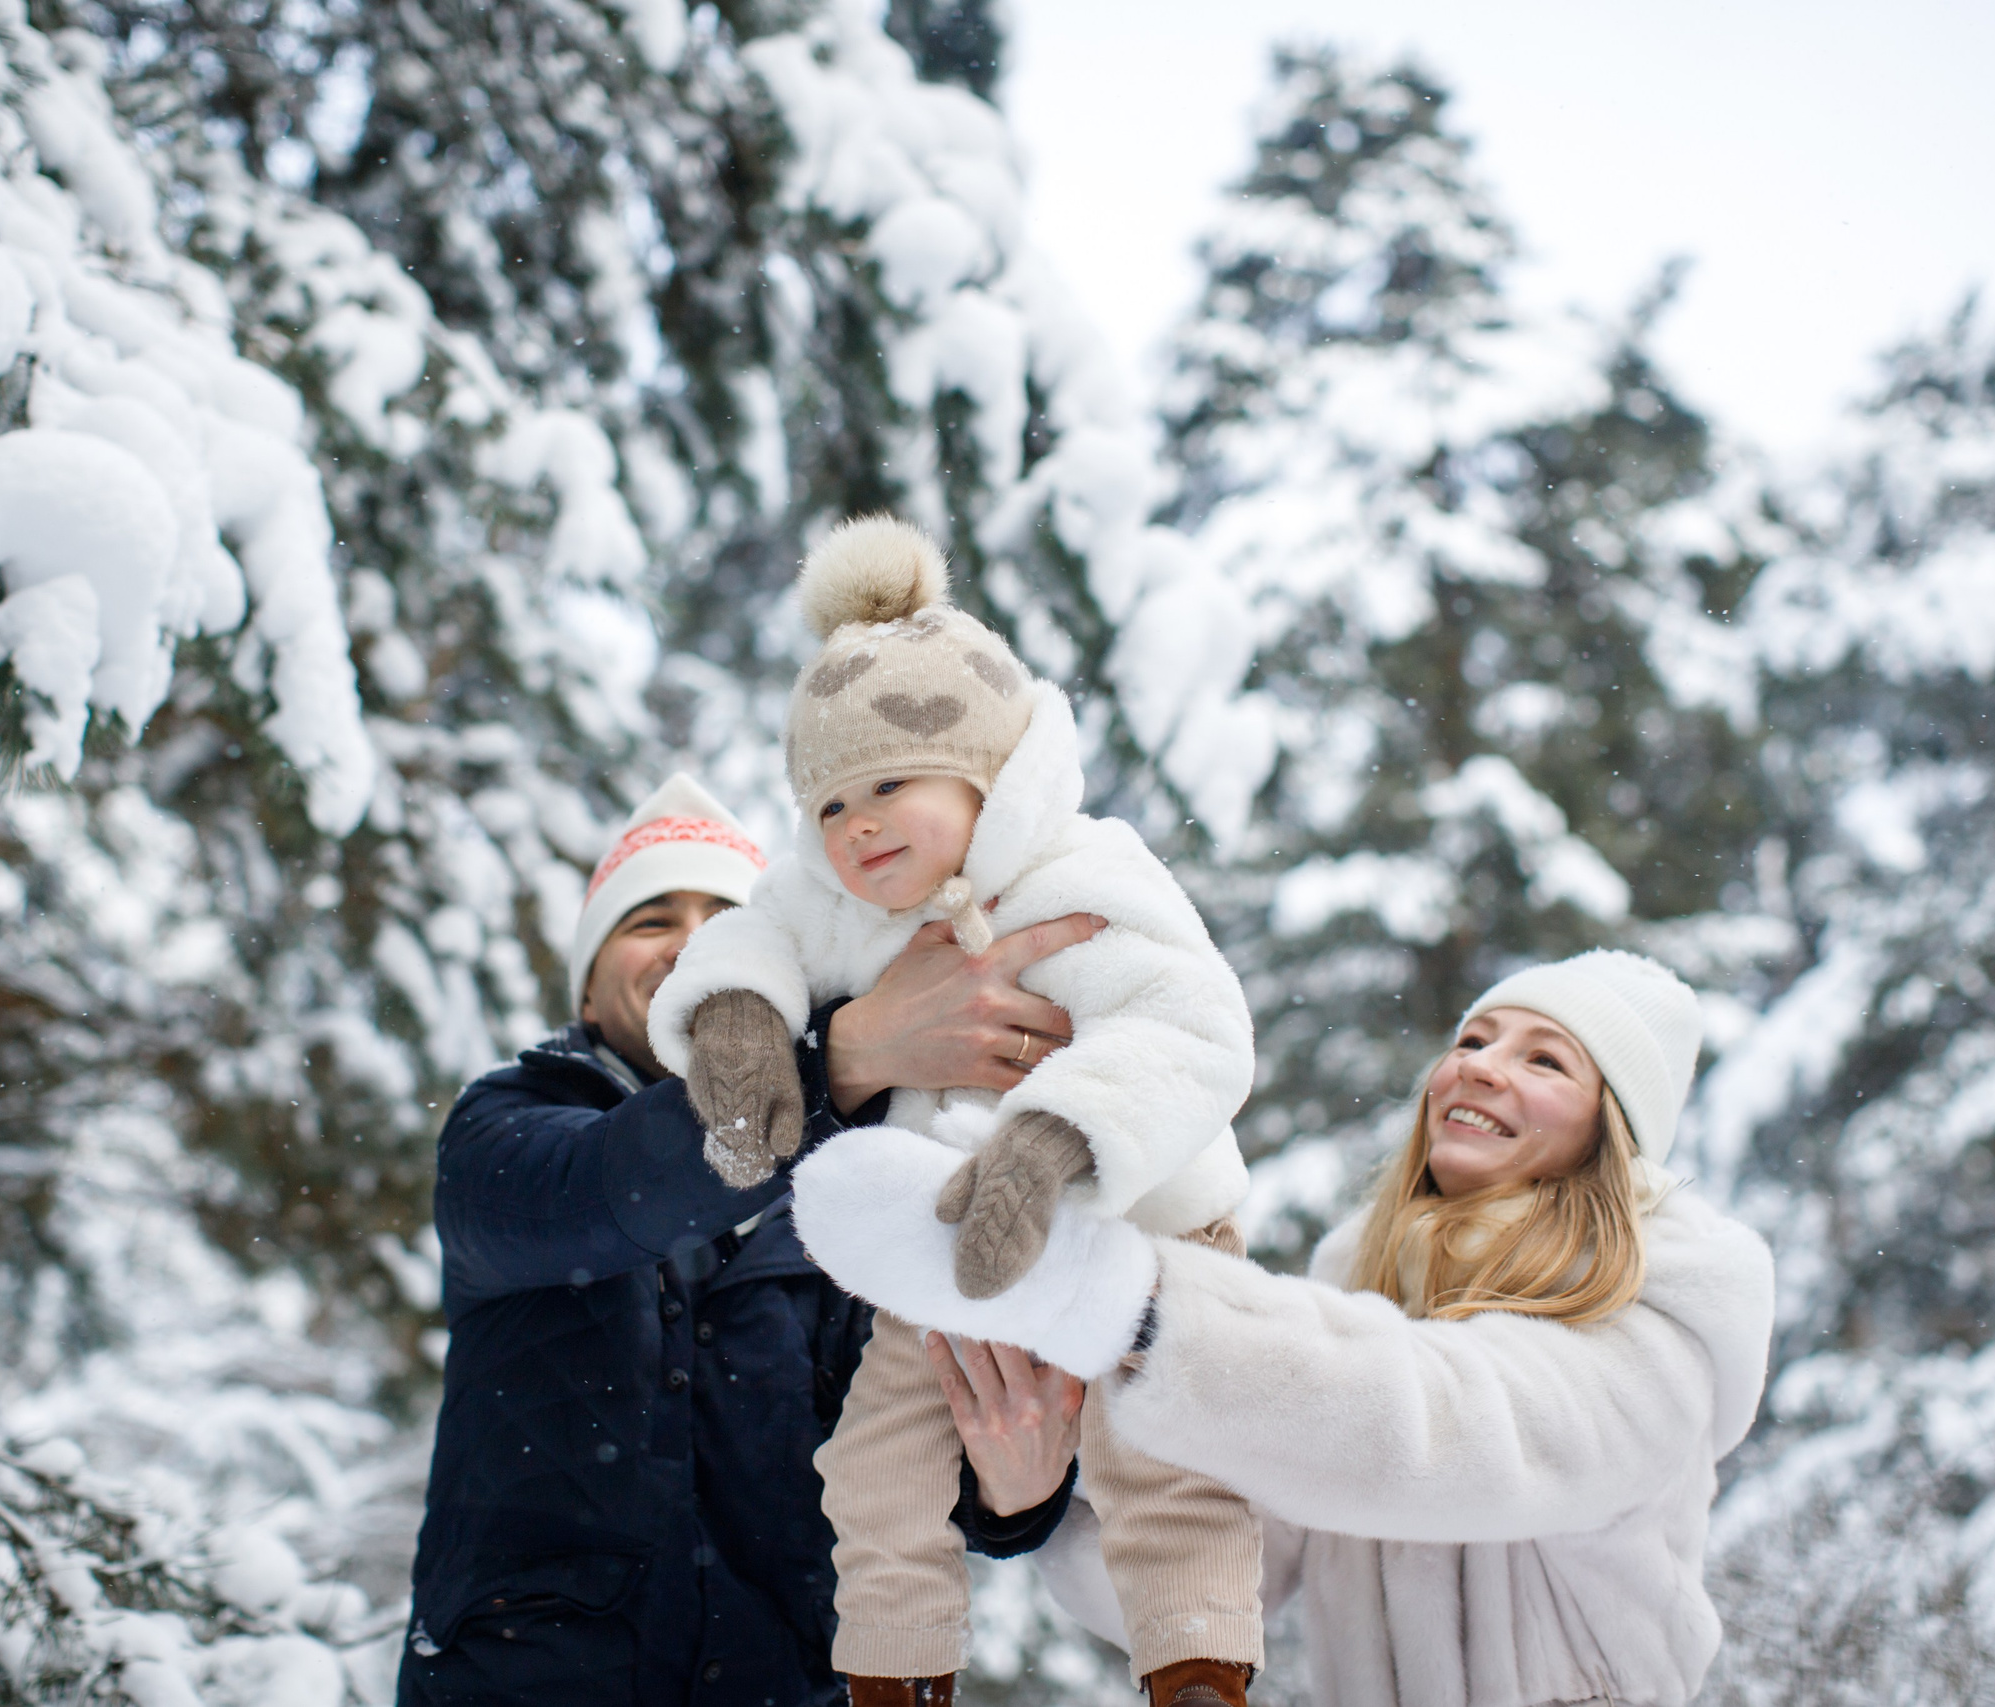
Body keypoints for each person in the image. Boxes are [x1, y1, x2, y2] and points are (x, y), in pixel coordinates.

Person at [646, 519, 1265, 1707]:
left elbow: (1191, 1028)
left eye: (888, 784)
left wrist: (1052, 1140)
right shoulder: (838, 908)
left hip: (1144, 1231)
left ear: (988, 775)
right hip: (942, 1252)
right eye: (829, 804)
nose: (858, 825)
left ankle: (1195, 1671)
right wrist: (735, 1018)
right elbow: (751, 931)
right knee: (872, 1470)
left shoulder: (1083, 876)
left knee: (1169, 1460)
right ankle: (895, 1678)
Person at [809, 949, 1778, 1707]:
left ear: (1609, 1132)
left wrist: (1126, 1299)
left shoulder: (1655, 1325)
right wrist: (1043, 1499)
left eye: (1544, 1059)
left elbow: (1449, 1429)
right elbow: (1231, 1565)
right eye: (1474, 1040)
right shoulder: (1370, 1296)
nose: (1480, 1069)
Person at [397, 775, 1094, 1707]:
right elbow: (610, 1190)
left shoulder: (856, 1183)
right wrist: (846, 1060)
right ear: (592, 996)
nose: (691, 942)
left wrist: (1015, 1488)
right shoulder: (509, 1127)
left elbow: (902, 1436)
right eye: (650, 919)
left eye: (726, 918)